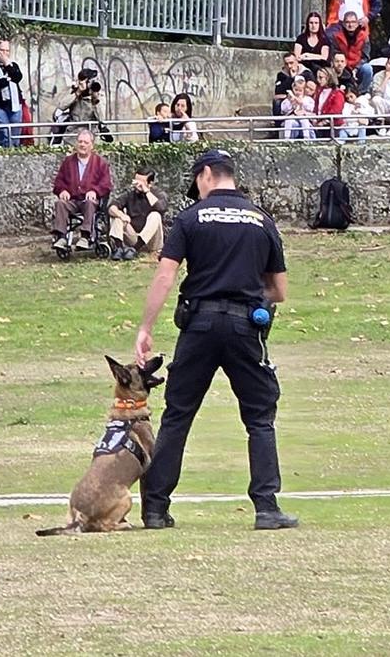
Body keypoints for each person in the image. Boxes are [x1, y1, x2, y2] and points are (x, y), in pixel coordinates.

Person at [133, 149, 295, 531]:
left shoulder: (191, 218)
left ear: (206, 174)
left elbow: (164, 277)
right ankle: (267, 507)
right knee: (259, 418)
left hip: (199, 326)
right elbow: (280, 290)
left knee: (177, 416)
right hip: (245, 329)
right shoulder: (261, 220)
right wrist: (245, 291)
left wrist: (146, 327)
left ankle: (155, 509)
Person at [50, 127, 114, 256]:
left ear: (92, 145)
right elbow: (58, 182)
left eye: (85, 142)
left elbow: (106, 184)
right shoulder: (68, 162)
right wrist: (62, 190)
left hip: (89, 201)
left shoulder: (100, 162)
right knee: (60, 203)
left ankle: (85, 237)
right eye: (80, 142)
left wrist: (95, 191)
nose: (82, 145)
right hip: (73, 200)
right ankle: (61, 237)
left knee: (90, 203)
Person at [107, 168, 167, 260]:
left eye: (141, 181)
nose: (137, 184)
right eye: (136, 180)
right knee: (117, 216)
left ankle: (135, 250)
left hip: (153, 241)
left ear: (150, 183)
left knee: (155, 215)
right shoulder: (130, 194)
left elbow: (161, 208)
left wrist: (146, 191)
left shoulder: (158, 194)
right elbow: (111, 207)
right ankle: (119, 249)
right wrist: (121, 215)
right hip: (134, 237)